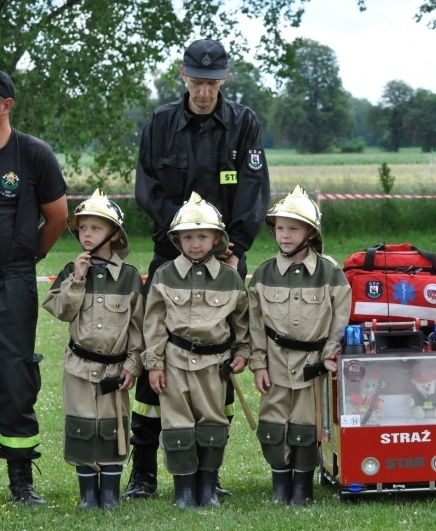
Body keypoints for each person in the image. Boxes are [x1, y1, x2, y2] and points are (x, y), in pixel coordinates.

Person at [131, 37, 270, 498]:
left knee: (218, 368)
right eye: (197, 81)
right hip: (170, 254)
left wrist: (234, 246)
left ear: (224, 79)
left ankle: (210, 476)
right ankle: (145, 475)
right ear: (182, 75)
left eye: (212, 83)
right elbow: (147, 188)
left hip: (226, 258)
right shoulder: (160, 123)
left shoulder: (243, 125)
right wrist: (185, 234)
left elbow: (253, 189)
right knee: (157, 360)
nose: (204, 91)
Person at [142, 192, 249, 508]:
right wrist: (154, 363)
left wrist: (243, 351)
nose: (195, 243)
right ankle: (184, 490)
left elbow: (242, 320)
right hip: (174, 362)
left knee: (212, 424)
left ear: (217, 238)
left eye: (202, 236)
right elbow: (154, 322)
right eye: (187, 237)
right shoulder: (164, 274)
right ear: (176, 240)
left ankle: (207, 488)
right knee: (177, 426)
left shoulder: (230, 277)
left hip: (215, 364)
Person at [248, 185, 351, 505]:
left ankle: (302, 488)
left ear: (310, 232)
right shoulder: (264, 272)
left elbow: (340, 315)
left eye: (293, 228)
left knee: (307, 428)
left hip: (312, 365)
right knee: (272, 426)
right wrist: (259, 362)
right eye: (280, 228)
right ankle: (280, 486)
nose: (285, 235)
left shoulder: (329, 272)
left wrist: (331, 352)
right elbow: (254, 323)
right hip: (276, 363)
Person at [42, 190, 145, 510]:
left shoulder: (128, 276)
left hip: (116, 371)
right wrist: (77, 278)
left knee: (113, 429)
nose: (86, 234)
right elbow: (60, 311)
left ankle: (110, 493)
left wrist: (133, 365)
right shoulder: (71, 271)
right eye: (82, 228)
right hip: (79, 368)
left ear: (114, 235)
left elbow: (139, 327)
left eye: (95, 228)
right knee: (82, 427)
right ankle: (88, 494)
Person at [0, 70, 68, 505]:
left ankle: (21, 483)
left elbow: (58, 217)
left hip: (13, 280)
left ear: (5, 104)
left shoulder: (33, 154)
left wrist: (28, 259)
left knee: (15, 376)